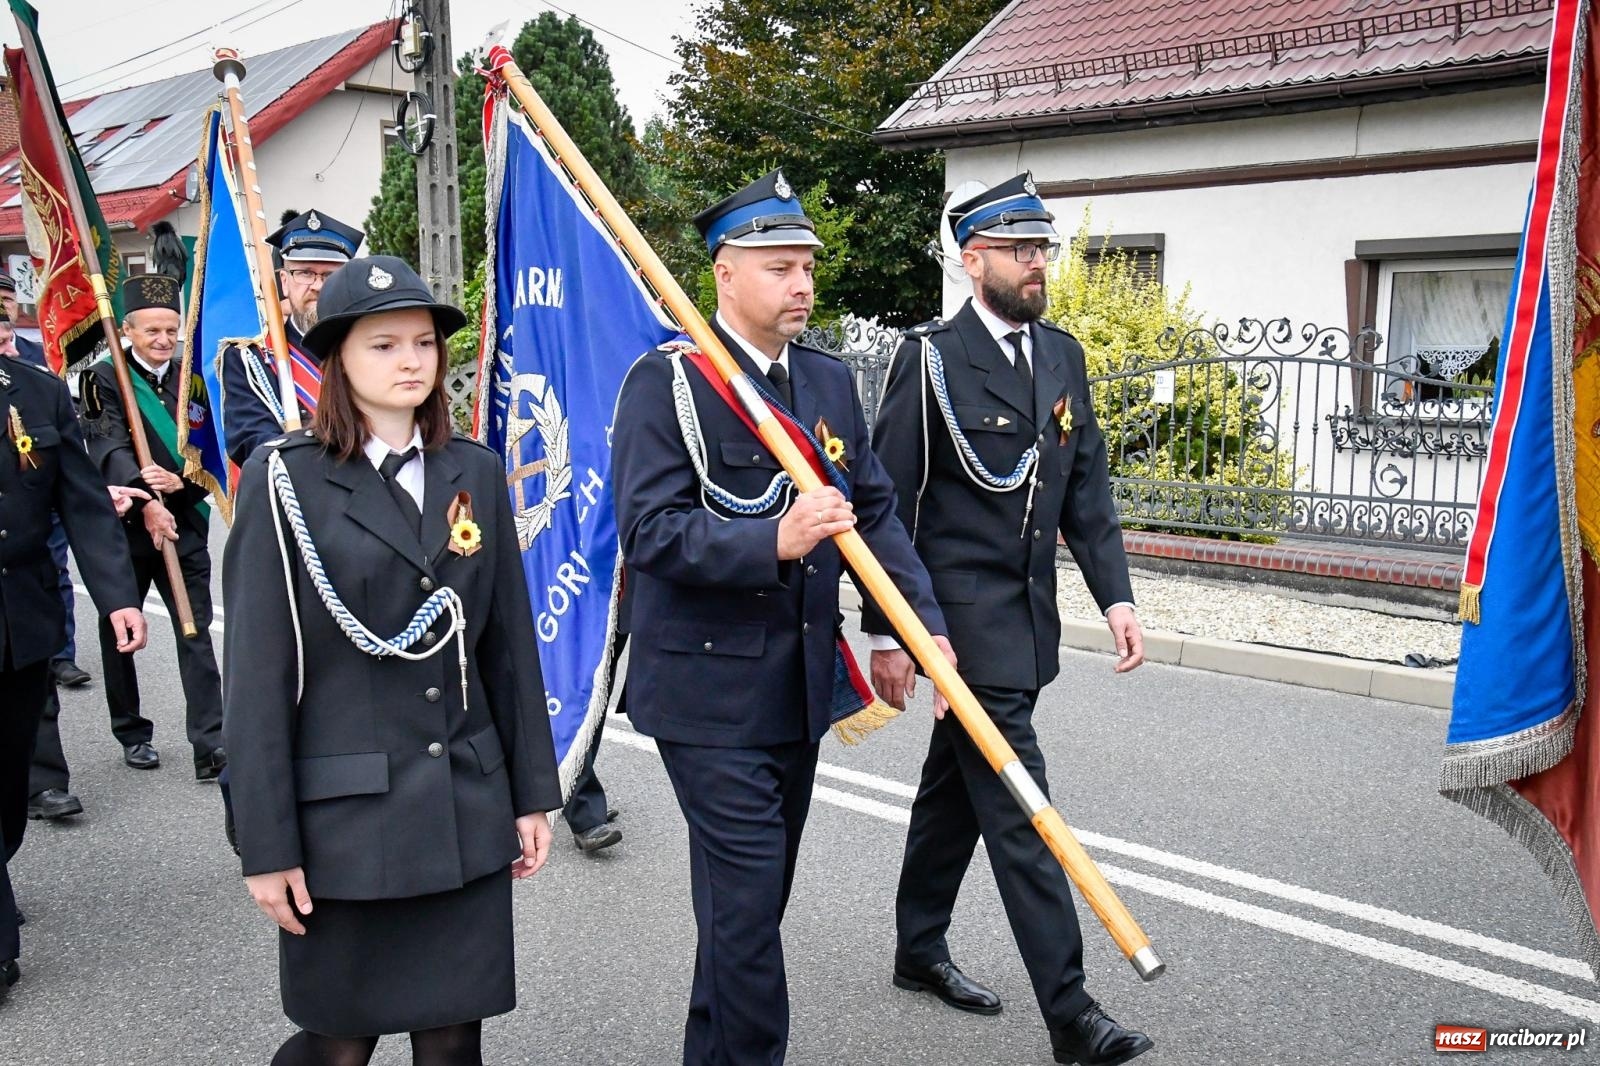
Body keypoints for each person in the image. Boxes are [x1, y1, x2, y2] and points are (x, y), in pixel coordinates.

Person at [610, 169, 951, 1066]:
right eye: (778, 266)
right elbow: (649, 531)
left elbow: (872, 511)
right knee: (751, 910)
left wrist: (908, 627)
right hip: (704, 693)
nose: (801, 284)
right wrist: (774, 541)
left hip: (795, 691)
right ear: (724, 272)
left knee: (745, 910)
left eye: (806, 265)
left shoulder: (829, 383)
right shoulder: (671, 384)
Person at [223, 255, 561, 1065]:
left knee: (452, 1042)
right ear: (337, 358)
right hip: (347, 823)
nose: (410, 361)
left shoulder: (473, 468)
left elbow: (507, 646)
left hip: (460, 807)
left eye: (423, 343)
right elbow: (257, 682)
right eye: (382, 346)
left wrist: (530, 794)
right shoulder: (286, 481)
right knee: (338, 1046)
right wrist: (265, 846)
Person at [862, 173, 1152, 1066]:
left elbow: (1085, 489)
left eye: (1044, 249)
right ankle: (1071, 1015)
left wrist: (1116, 595)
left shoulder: (1060, 355)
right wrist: (891, 633)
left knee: (953, 793)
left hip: (1026, 625)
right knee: (1027, 813)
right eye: (1020, 250)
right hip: (959, 630)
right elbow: (888, 507)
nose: (1037, 265)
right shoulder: (931, 362)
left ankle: (918, 950)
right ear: (972, 258)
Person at [0, 352, 147, 1001]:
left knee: (10, 790)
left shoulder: (35, 393)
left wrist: (119, 596)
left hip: (22, 618)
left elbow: (81, 503)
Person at [78, 274, 226, 778]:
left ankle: (211, 743)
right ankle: (132, 731)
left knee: (196, 631)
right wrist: (144, 495)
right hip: (125, 529)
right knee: (121, 631)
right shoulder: (101, 378)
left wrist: (180, 482)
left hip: (182, 524)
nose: (163, 341)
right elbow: (106, 445)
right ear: (128, 329)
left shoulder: (193, 378)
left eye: (170, 330)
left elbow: (210, 453)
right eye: (151, 332)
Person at [0, 278, 90, 690]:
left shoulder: (36, 360)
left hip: (42, 491)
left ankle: (61, 652)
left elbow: (65, 426)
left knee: (52, 571)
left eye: (7, 304)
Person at [220, 210, 364, 465]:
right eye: (306, 273)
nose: (318, 286)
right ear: (285, 282)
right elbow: (249, 440)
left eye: (330, 275)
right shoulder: (252, 360)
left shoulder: (372, 349)